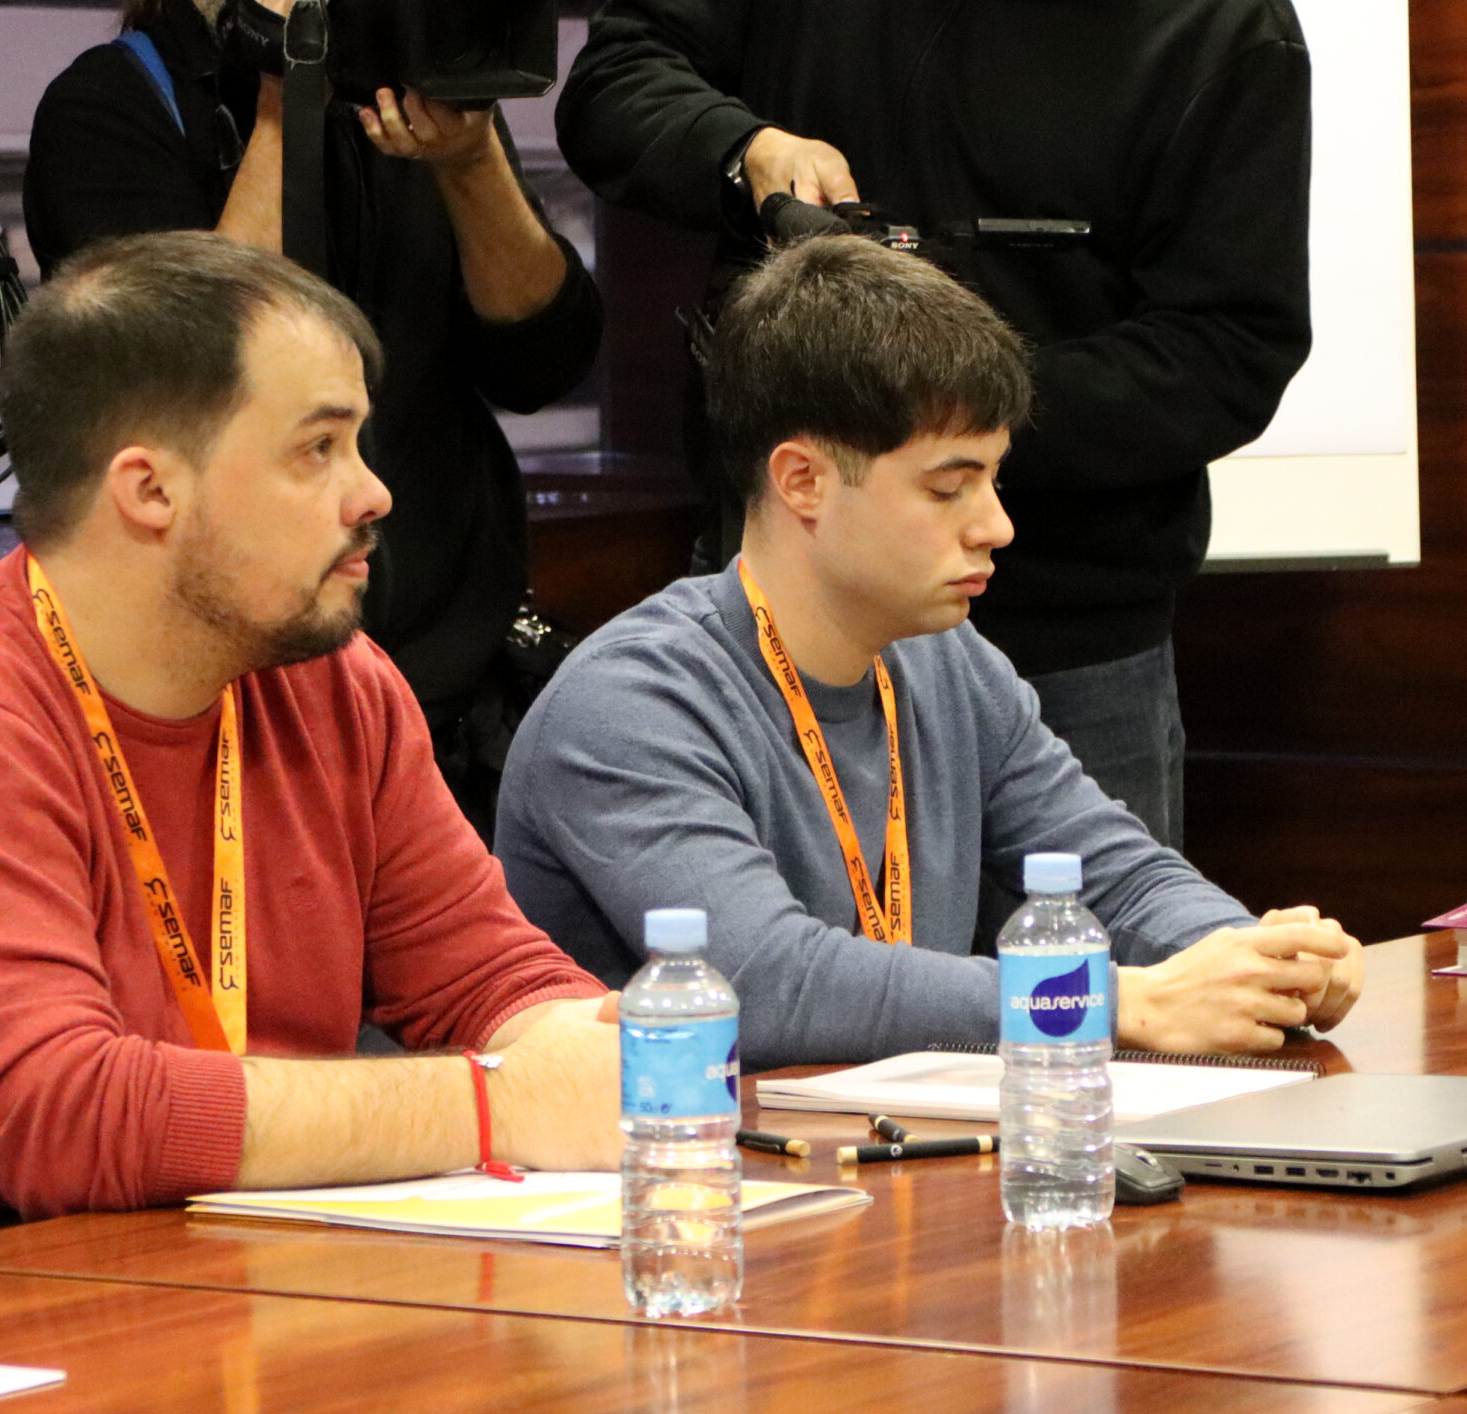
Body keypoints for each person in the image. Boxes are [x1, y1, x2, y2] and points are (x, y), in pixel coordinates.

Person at [0, 233, 622, 1303]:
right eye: (318, 449)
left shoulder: (334, 683)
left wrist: (594, 1054)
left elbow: (488, 980)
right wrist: (499, 1103)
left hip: (165, 1290)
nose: (373, 493)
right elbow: (60, 1121)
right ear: (150, 489)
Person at [493, 237, 1359, 1072]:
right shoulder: (629, 707)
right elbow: (765, 981)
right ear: (803, 481)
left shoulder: (947, 662)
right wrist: (1110, 999)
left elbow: (1120, 879)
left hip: (888, 1150)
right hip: (683, 1157)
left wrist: (1260, 960)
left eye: (993, 479)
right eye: (949, 487)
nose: (997, 526)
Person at [556, 0, 1315, 848]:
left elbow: (1231, 347)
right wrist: (745, 151)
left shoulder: (1224, 27)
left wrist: (945, 425)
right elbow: (613, 83)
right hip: (795, 603)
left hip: (1069, 636)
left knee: (1090, 924)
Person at [22, 0, 600, 830]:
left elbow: (543, 361)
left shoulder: (405, 85)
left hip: (448, 683)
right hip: (239, 708)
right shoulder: (109, 104)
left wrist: (471, 159)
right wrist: (283, 94)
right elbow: (196, 382)